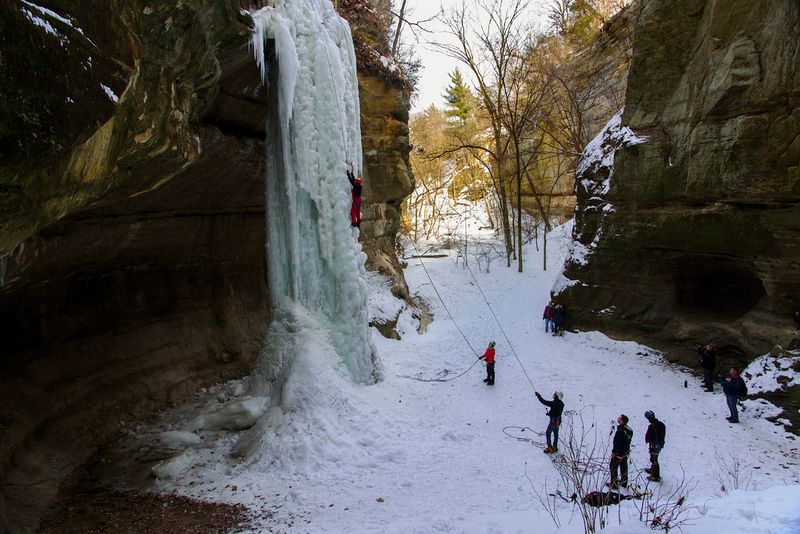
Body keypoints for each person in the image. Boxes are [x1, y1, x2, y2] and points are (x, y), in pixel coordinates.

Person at [609, 414, 633, 489]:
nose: (618, 419)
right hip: (625, 452)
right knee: (623, 467)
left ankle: (614, 484)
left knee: (613, 468)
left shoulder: (620, 431)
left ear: (622, 421)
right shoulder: (629, 430)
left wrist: (614, 452)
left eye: (619, 419)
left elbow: (616, 443)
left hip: (618, 453)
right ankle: (624, 482)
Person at [644, 411, 666, 482]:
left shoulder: (652, 426)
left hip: (654, 445)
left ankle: (655, 476)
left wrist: (649, 441)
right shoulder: (661, 424)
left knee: (654, 459)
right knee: (654, 458)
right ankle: (653, 470)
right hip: (659, 444)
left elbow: (650, 436)